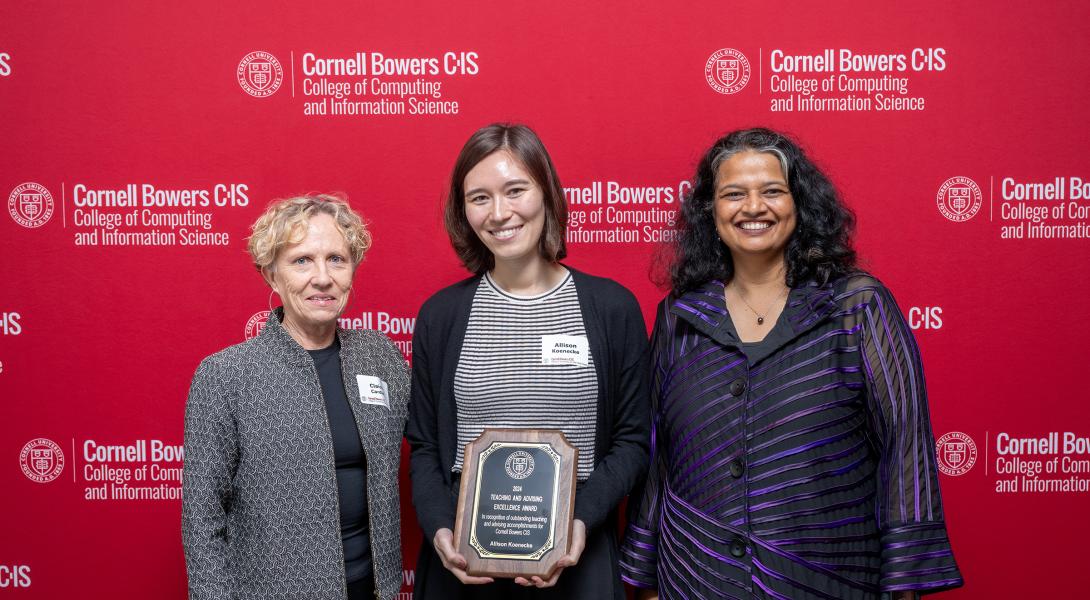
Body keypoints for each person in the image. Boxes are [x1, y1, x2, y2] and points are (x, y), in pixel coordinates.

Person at [619, 128, 963, 599]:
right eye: (734, 194)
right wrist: (644, 578)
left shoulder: (857, 306)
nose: (753, 207)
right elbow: (660, 458)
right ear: (710, 211)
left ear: (800, 204)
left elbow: (905, 447)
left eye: (773, 191)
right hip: (697, 577)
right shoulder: (680, 317)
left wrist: (906, 584)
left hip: (826, 576)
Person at [406, 123, 650, 599]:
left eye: (515, 190)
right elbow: (425, 447)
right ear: (463, 210)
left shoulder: (611, 308)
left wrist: (581, 520)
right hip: (464, 559)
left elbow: (633, 441)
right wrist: (439, 531)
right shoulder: (442, 315)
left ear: (547, 194)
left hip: (577, 552)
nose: (500, 213)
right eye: (479, 198)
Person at [182, 195, 409, 600]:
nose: (322, 277)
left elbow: (432, 440)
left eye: (336, 259)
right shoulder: (225, 375)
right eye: (302, 260)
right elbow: (202, 519)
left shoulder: (380, 356)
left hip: (373, 588)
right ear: (272, 275)